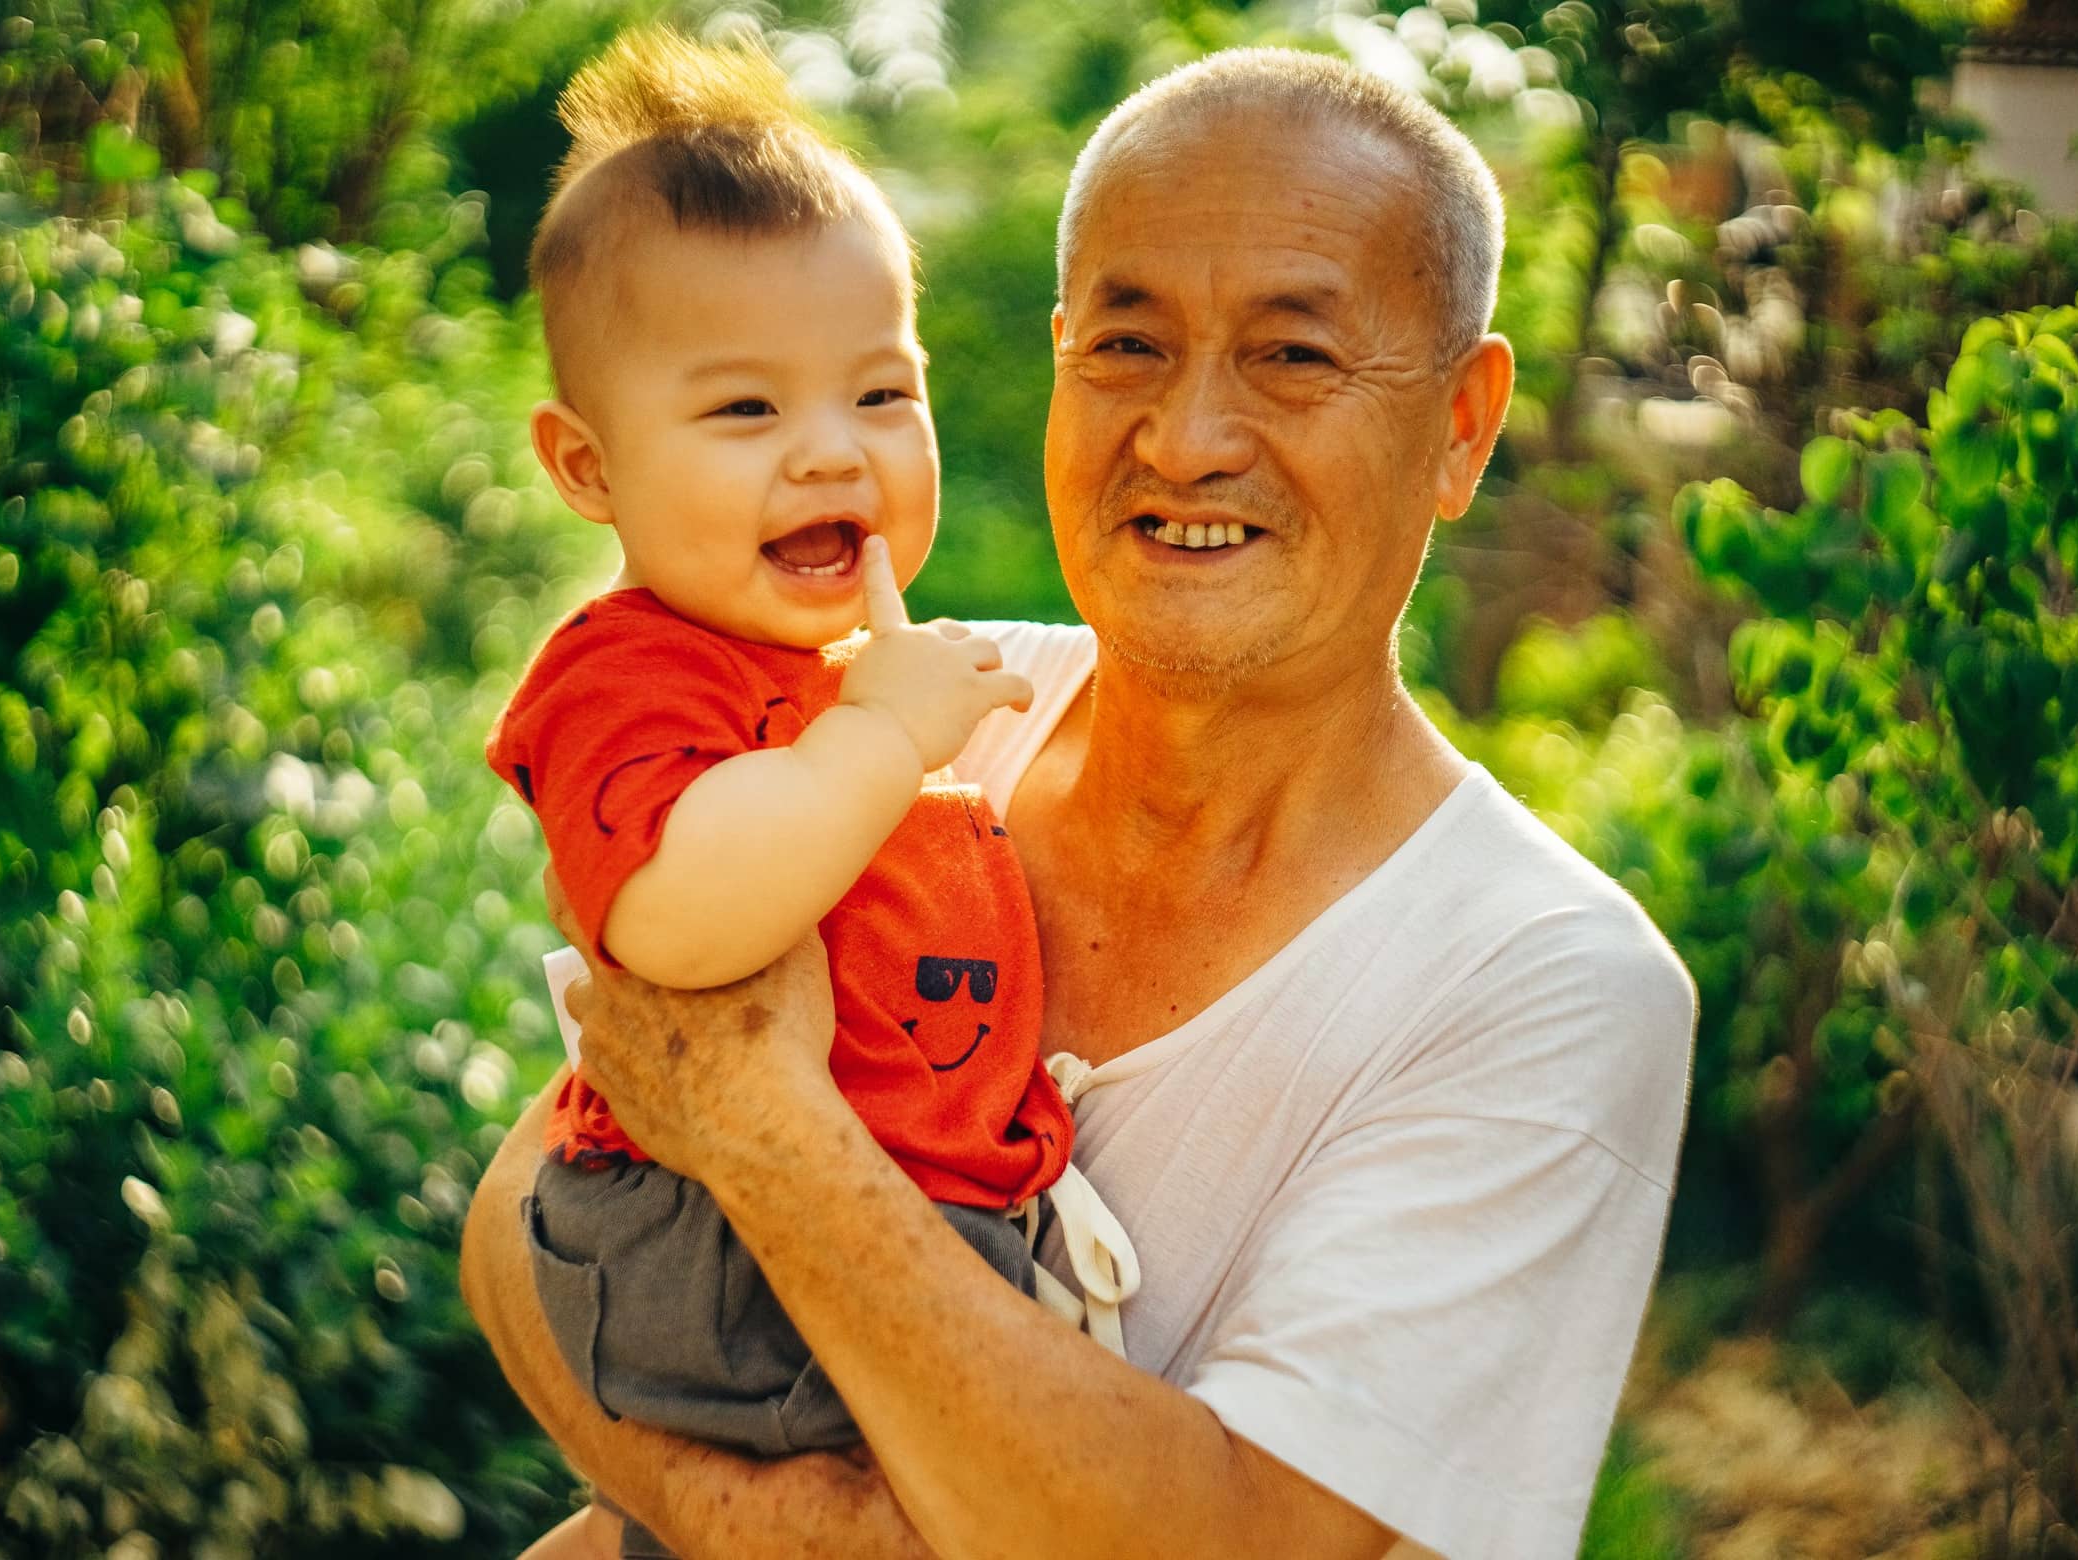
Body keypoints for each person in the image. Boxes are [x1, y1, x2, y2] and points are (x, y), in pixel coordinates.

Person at [463, 43, 1696, 1560]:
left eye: (1294, 356)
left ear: (1461, 421)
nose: (1185, 440)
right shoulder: (909, 720)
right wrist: (759, 1527)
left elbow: (1232, 1539)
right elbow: (524, 1220)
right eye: (1126, 348)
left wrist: (765, 1131)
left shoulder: (1536, 981)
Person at [482, 29, 1136, 1556]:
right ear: (587, 467)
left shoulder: (838, 665)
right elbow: (678, 917)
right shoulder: (627, 676)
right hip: (715, 1258)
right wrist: (877, 743)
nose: (829, 455)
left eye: (879, 395)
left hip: (861, 1244)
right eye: (745, 414)